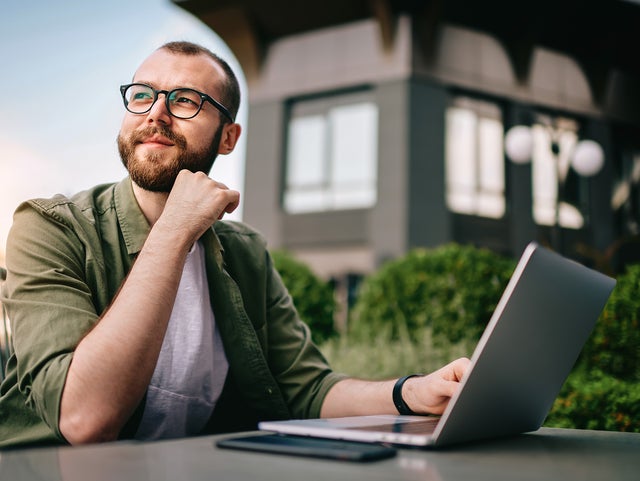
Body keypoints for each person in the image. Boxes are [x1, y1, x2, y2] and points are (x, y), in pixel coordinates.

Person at [0, 41, 470, 448]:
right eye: (142, 95)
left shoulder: (244, 252)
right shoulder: (50, 227)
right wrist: (174, 230)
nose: (156, 114)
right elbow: (84, 418)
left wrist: (410, 393)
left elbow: (306, 388)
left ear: (228, 137)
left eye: (185, 100)